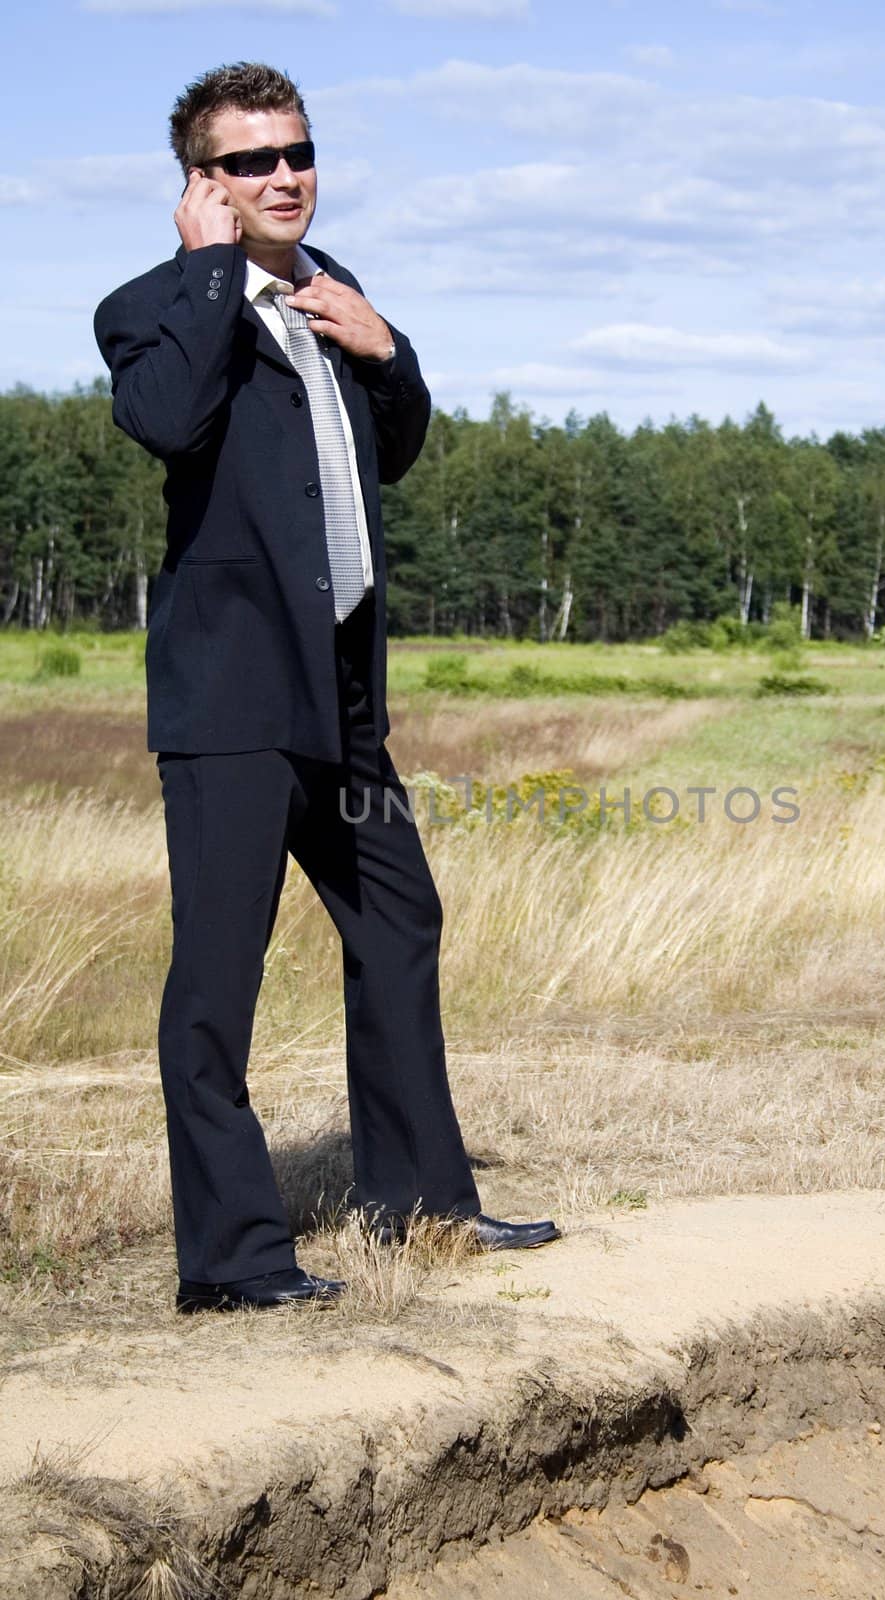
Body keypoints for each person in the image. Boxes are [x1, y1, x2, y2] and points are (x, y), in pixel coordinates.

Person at [93, 61, 561, 1315]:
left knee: (401, 921)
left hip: (343, 702)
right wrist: (209, 271)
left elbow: (392, 450)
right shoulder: (151, 303)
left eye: (297, 152)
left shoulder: (333, 290)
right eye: (249, 162)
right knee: (218, 978)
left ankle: (421, 1205)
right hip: (235, 706)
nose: (284, 175)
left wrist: (387, 347)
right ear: (201, 183)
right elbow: (166, 423)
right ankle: (234, 1259)